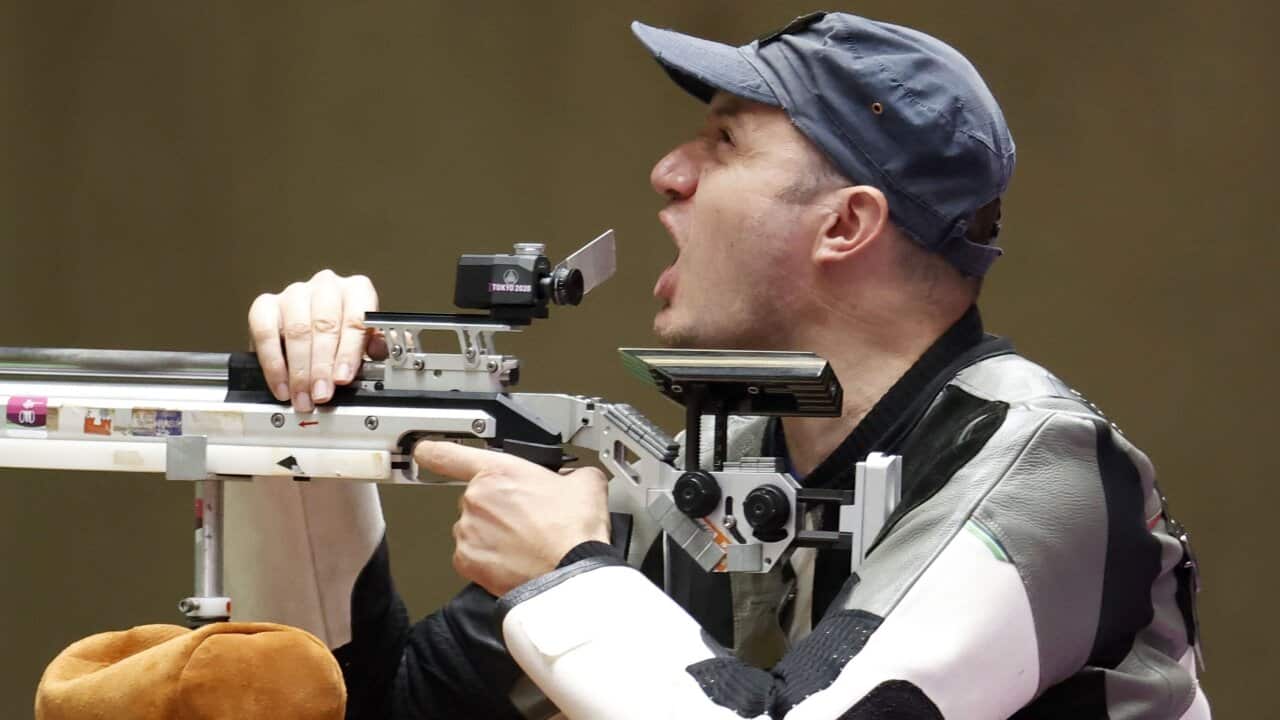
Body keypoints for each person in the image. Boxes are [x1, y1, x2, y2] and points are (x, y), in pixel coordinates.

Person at [227, 12, 1210, 719]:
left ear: (845, 224)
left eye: (724, 141)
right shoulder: (715, 468)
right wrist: (306, 425)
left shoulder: (1052, 476)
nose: (667, 171)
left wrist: (568, 578)